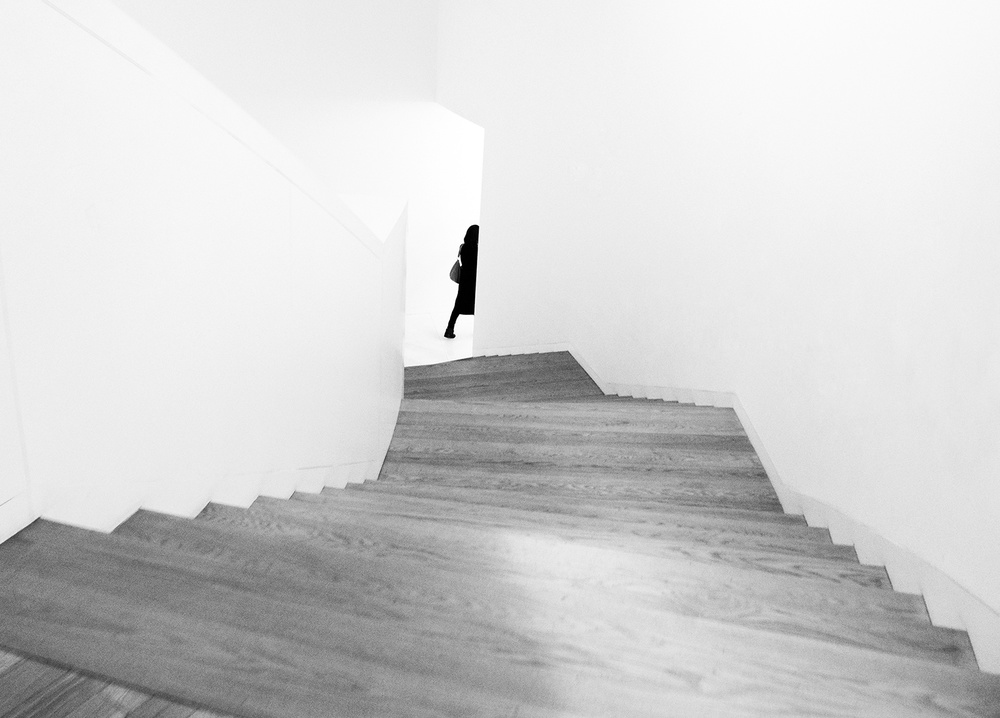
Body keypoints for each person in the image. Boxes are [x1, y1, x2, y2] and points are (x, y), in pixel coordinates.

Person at [445, 224, 478, 338]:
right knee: (477, 305)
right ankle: (479, 331)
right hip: (474, 280)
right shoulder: (477, 249)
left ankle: (449, 329)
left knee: (458, 305)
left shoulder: (463, 247)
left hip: (464, 280)